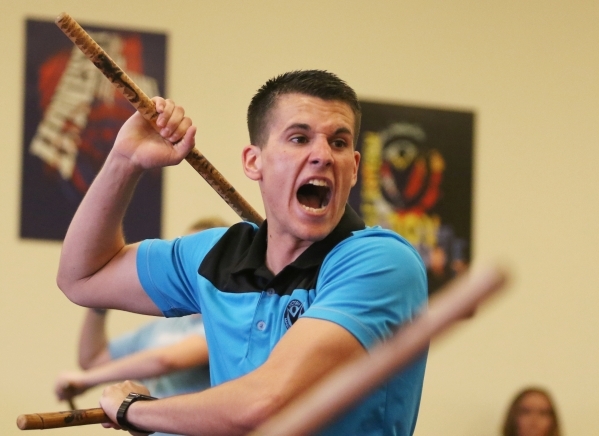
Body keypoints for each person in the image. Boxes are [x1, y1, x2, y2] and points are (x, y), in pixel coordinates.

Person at [56, 69, 428, 435]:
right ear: (253, 161)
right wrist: (125, 160)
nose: (323, 155)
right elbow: (82, 278)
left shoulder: (381, 263)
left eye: (339, 142)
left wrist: (134, 411)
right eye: (299, 138)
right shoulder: (216, 256)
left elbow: (265, 404)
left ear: (354, 168)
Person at [53, 217, 228, 436]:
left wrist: (87, 380)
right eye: (186, 251)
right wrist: (98, 300)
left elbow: (166, 360)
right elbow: (93, 360)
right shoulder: (165, 325)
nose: (190, 262)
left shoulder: (225, 321)